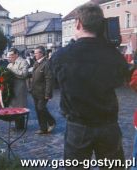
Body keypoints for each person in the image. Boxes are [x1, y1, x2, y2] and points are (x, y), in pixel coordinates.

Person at [51, 3, 129, 168]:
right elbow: (121, 79)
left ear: (78, 23)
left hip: (78, 126)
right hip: (108, 125)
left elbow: (56, 81)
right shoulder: (114, 55)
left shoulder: (61, 56)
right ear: (101, 24)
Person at [31, 46, 56, 134]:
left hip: (42, 92)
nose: (34, 55)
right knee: (38, 110)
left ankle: (52, 121)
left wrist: (48, 94)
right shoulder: (36, 63)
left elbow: (49, 79)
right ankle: (43, 128)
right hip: (35, 91)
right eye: (34, 53)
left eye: (36, 53)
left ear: (41, 53)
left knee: (41, 108)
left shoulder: (46, 63)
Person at [7, 48, 29, 130]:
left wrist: (12, 70)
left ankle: (21, 126)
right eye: (9, 56)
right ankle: (17, 126)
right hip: (12, 88)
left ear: (16, 54)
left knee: (20, 107)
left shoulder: (23, 62)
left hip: (20, 88)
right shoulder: (9, 64)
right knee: (14, 107)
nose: (10, 57)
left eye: (12, 55)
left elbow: (24, 74)